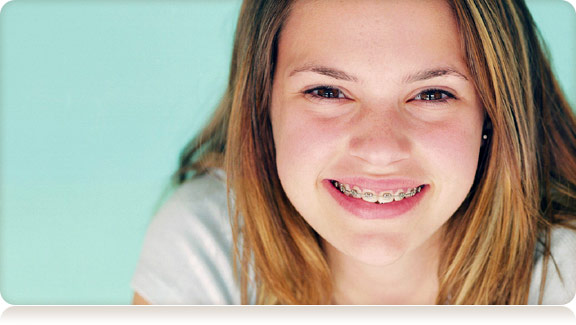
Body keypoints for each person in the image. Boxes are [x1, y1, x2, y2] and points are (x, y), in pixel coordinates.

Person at [131, 0, 576, 305]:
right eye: (328, 91)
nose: (380, 151)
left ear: (493, 116)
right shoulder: (206, 245)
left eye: (432, 94)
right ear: (262, 109)